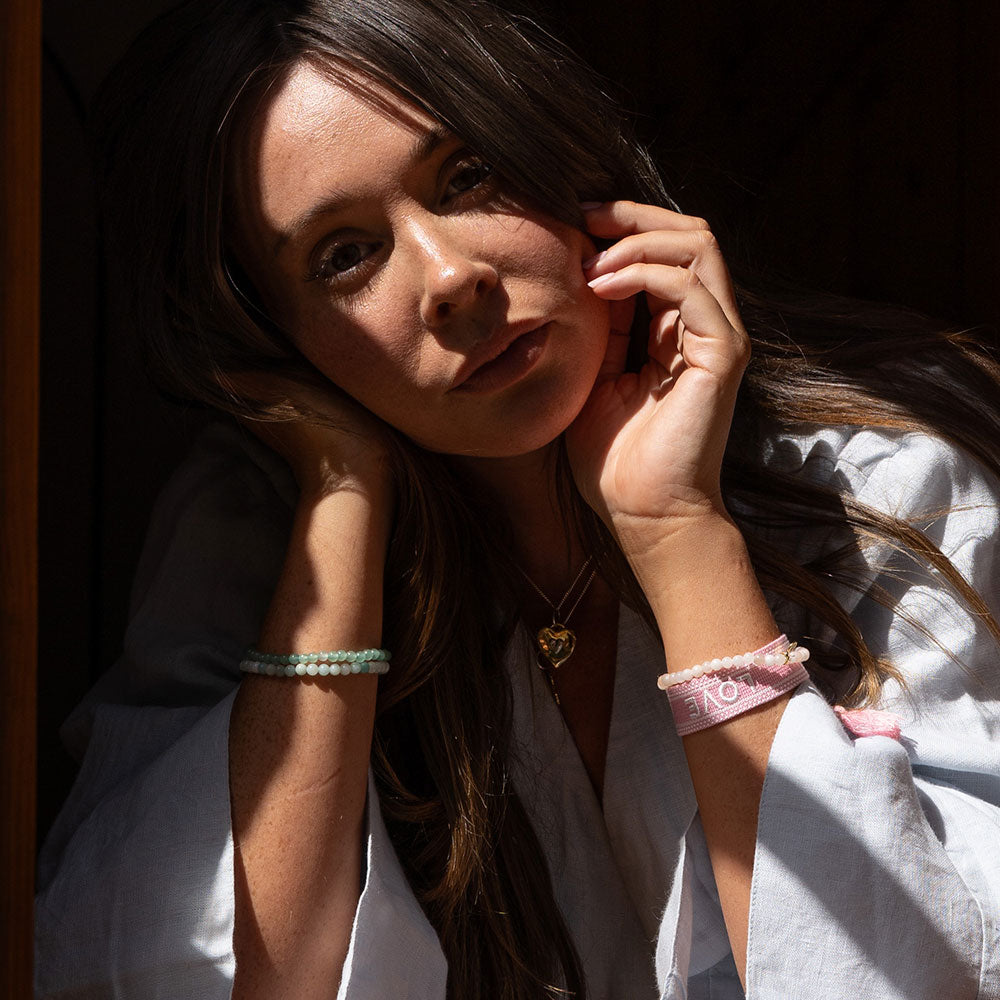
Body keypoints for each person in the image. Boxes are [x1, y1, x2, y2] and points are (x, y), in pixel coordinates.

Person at [35, 0, 1000, 997]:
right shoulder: (256, 537)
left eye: (467, 176)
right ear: (270, 339)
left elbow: (907, 972)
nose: (451, 276)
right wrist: (344, 488)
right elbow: (236, 978)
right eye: (343, 256)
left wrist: (676, 530)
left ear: (562, 149)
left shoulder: (878, 481)